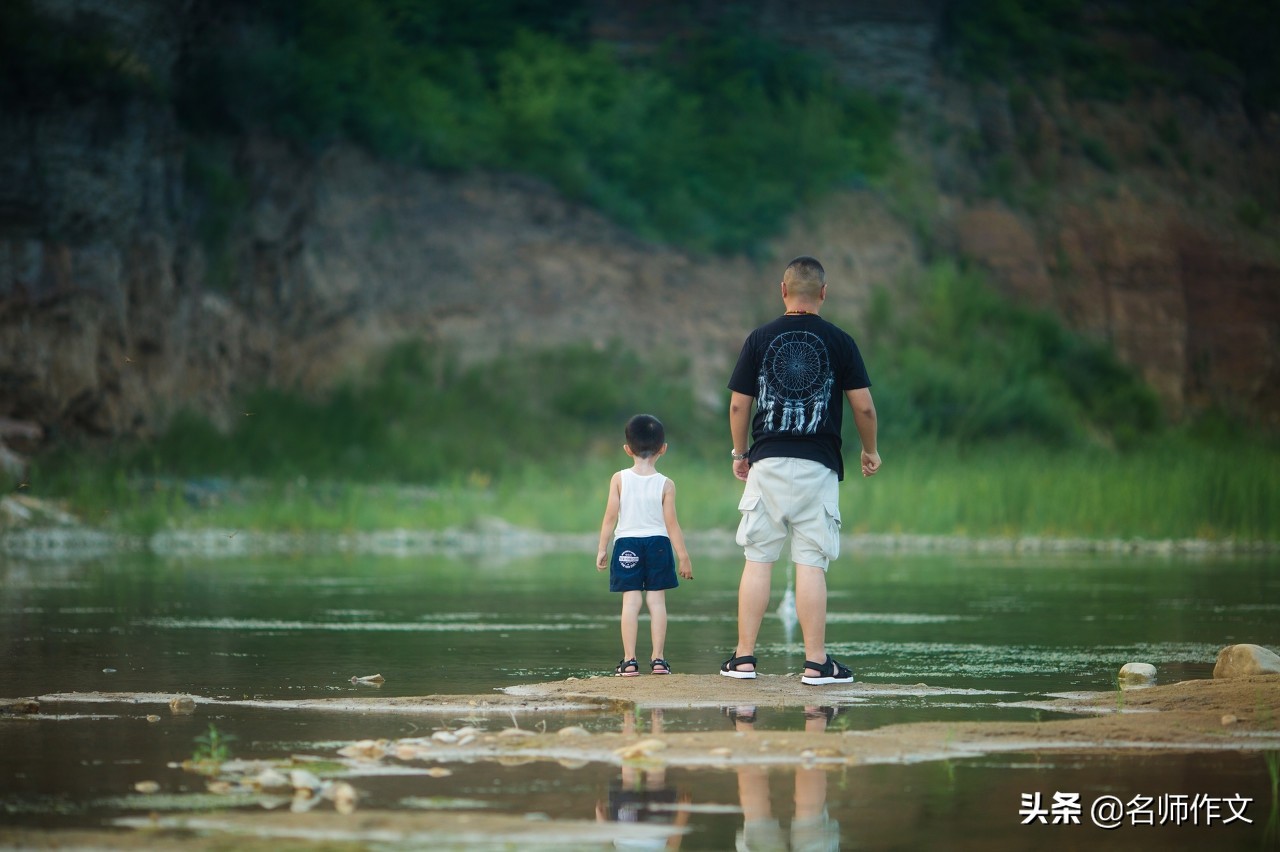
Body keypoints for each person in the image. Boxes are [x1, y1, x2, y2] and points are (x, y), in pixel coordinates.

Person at [722, 256, 880, 684]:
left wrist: (740, 453)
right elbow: (862, 405)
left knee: (758, 559)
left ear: (782, 289)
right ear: (823, 294)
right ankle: (815, 664)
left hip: (767, 461)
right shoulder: (841, 341)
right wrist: (871, 451)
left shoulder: (759, 338)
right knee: (811, 562)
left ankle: (743, 659)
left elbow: (739, 403)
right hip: (819, 465)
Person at [597, 414, 694, 676]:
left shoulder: (618, 479)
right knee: (657, 601)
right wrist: (683, 556)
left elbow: (610, 516)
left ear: (627, 449)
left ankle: (629, 661)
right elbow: (672, 524)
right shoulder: (666, 484)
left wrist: (602, 547)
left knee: (630, 602)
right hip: (659, 544)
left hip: (627, 542)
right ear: (663, 449)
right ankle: (659, 660)